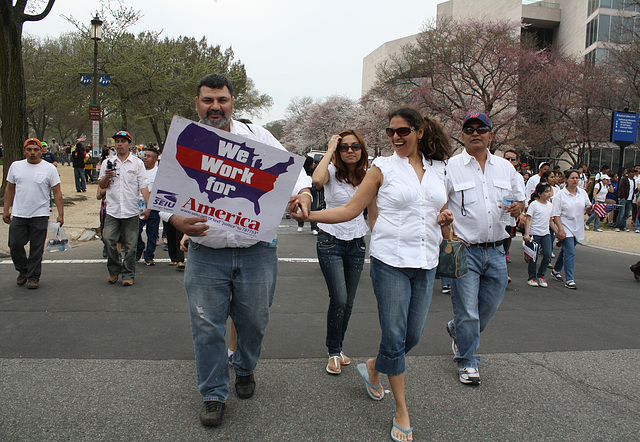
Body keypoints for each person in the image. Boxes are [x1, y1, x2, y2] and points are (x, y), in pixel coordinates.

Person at [161, 73, 313, 428]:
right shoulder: (184, 140)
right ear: (197, 103)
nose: (215, 107)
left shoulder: (258, 137)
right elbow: (163, 190)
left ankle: (244, 367)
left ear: (233, 102)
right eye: (208, 100)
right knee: (206, 326)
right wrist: (175, 220)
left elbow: (298, 177)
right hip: (205, 253)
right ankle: (213, 393)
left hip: (256, 251)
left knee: (254, 321)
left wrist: (303, 195)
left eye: (222, 100)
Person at [293, 107, 453, 442]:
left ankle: (373, 367)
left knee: (412, 338)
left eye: (403, 131)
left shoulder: (440, 168)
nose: (396, 137)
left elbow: (438, 208)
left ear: (420, 132)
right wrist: (309, 217)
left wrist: (444, 219)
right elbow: (351, 209)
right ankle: (401, 410)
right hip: (390, 261)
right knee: (395, 337)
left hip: (425, 263)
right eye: (391, 132)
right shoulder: (382, 167)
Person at [444, 112, 525, 386]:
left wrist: (517, 208)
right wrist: (448, 235)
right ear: (463, 134)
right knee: (468, 310)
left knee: (487, 308)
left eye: (481, 128)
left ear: (491, 134)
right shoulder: (450, 167)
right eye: (469, 129)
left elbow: (518, 202)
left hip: (497, 251)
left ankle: (458, 331)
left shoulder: (506, 168)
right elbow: (439, 206)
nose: (475, 133)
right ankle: (467, 361)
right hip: (465, 250)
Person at [311, 129, 375, 375]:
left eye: (355, 146)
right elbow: (316, 181)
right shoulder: (331, 173)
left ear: (362, 150)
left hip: (357, 241)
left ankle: (338, 348)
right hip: (330, 240)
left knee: (348, 301)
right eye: (344, 146)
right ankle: (333, 351)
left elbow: (374, 209)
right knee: (338, 298)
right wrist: (329, 149)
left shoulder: (368, 175)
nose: (350, 150)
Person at [3, 138, 64, 289]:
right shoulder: (16, 166)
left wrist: (60, 214)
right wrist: (6, 209)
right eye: (29, 150)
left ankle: (33, 276)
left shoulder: (49, 169)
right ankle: (23, 270)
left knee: (36, 248)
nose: (32, 153)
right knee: (15, 244)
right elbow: (9, 188)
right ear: (24, 151)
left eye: (35, 150)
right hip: (19, 213)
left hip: (40, 214)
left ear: (41, 151)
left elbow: (57, 192)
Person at [98, 130, 150, 286]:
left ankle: (128, 274)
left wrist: (148, 207)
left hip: (131, 210)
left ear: (129, 144)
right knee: (108, 239)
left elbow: (144, 187)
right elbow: (101, 185)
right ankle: (114, 270)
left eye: (122, 141)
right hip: (113, 210)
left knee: (131, 245)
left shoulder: (137, 163)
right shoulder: (107, 162)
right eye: (117, 141)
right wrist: (107, 176)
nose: (119, 144)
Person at [550, 170, 592, 289]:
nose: (575, 180)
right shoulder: (560, 195)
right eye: (572, 178)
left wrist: (589, 209)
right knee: (570, 252)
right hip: (565, 225)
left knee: (567, 250)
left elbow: (586, 209)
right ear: (566, 180)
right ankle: (570, 278)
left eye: (577, 178)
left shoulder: (582, 193)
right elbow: (556, 214)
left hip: (577, 226)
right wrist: (560, 230)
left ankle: (556, 269)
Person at [524, 183, 557, 287]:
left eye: (549, 191)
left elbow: (551, 220)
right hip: (535, 233)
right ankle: (532, 277)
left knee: (548, 254)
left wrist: (557, 231)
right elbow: (528, 219)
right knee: (533, 256)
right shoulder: (534, 204)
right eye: (546, 191)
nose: (549, 194)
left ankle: (541, 275)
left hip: (545, 233)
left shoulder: (550, 205)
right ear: (539, 193)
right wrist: (527, 233)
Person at [136, 146, 160, 266]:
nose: (145, 158)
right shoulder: (138, 170)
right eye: (145, 155)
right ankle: (139, 247)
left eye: (148, 156)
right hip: (138, 205)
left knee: (152, 232)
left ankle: (149, 255)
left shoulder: (159, 173)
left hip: (153, 206)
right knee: (135, 230)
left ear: (155, 159)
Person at [503, 149, 525, 265]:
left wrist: (520, 212)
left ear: (517, 162)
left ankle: (505, 255)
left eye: (513, 159)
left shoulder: (518, 177)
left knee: (507, 239)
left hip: (510, 215)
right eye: (507, 158)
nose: (510, 161)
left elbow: (521, 199)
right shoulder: (498, 172)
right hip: (497, 215)